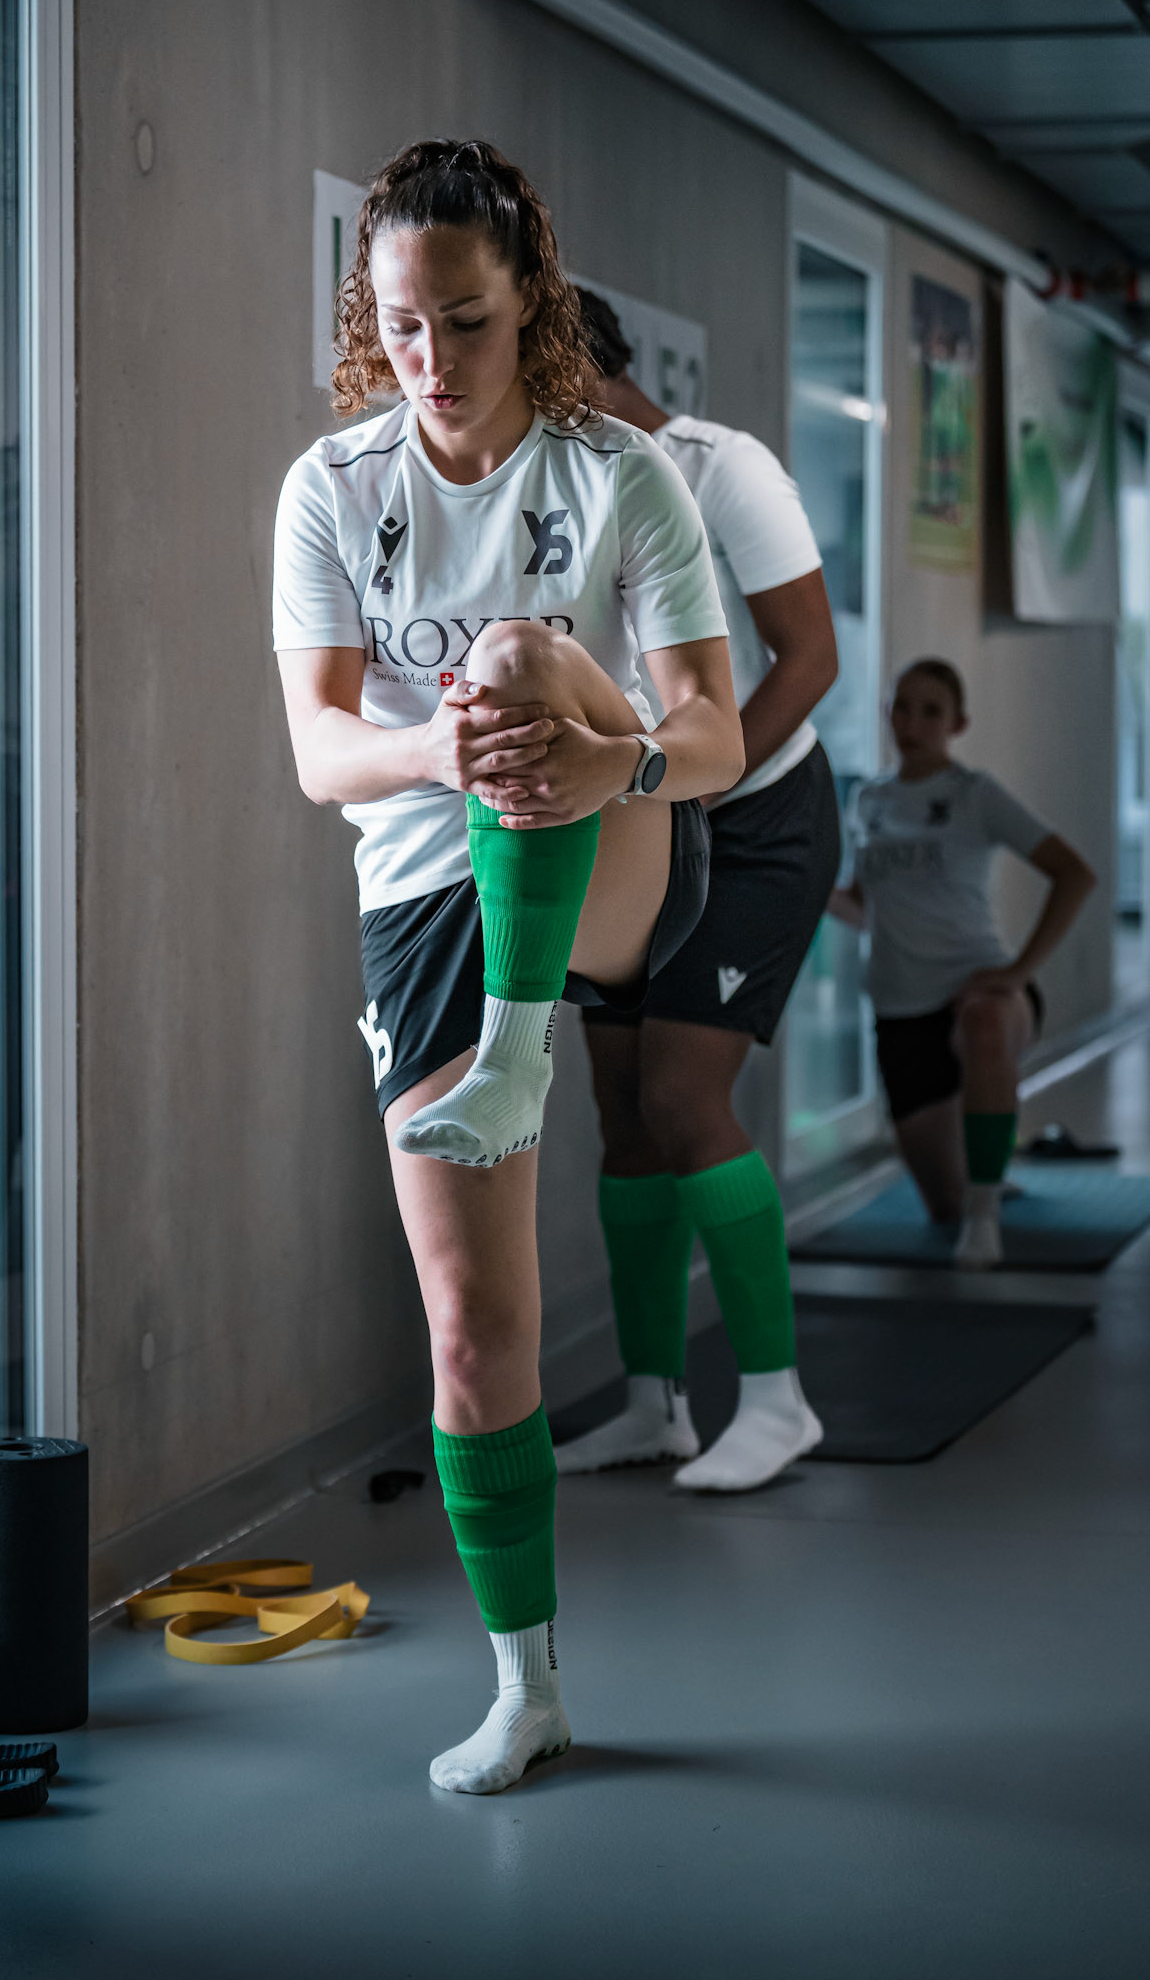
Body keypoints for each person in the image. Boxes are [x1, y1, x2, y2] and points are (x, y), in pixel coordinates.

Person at [272, 141, 743, 1793]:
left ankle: (528, 1040)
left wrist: (587, 751)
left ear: (527, 298)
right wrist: (438, 757)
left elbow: (712, 724)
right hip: (422, 899)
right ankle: (527, 1686)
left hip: (610, 849)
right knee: (473, 1335)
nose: (432, 358)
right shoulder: (331, 491)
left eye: (464, 320)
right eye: (402, 325)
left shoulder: (625, 478)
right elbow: (321, 751)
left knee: (523, 648)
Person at [554, 288, 840, 1494]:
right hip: (641, 818)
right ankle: (650, 1403)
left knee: (682, 1091)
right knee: (621, 1110)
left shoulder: (723, 471)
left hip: (758, 816)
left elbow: (810, 656)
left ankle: (778, 1401)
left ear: (581, 370)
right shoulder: (560, 498)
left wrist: (698, 785)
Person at [829, 657, 1096, 1267]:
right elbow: (866, 908)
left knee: (984, 1021)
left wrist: (1018, 972)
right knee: (939, 1205)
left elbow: (1074, 875)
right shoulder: (868, 801)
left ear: (958, 723)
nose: (912, 723)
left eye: (930, 711)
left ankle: (986, 1216)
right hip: (901, 1008)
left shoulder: (976, 795)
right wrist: (812, 887)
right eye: (902, 707)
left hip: (981, 987)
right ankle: (978, 1182)